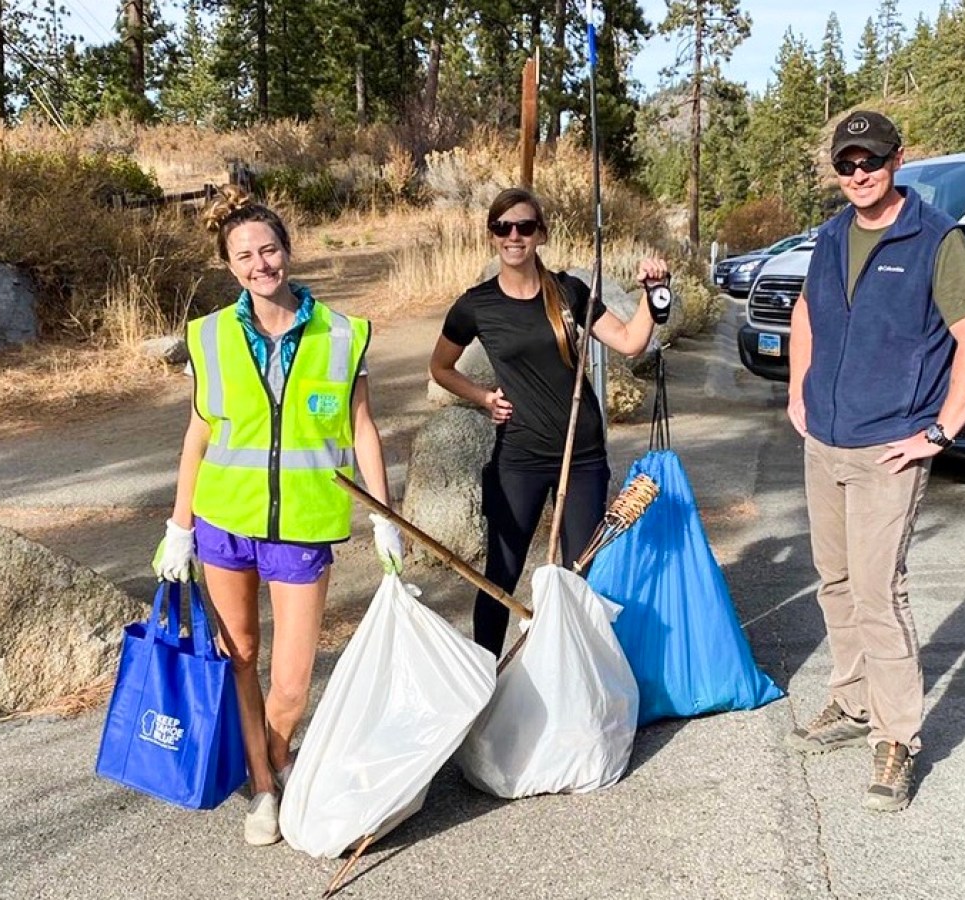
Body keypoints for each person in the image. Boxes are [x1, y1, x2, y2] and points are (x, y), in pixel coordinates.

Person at [153, 185, 404, 845]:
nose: (260, 263)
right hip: (223, 523)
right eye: (245, 255)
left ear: (288, 252)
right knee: (240, 658)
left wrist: (386, 517)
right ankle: (265, 786)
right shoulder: (207, 337)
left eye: (269, 248)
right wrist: (180, 526)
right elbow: (199, 435)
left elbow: (364, 427)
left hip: (303, 525)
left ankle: (276, 749)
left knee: (289, 682)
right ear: (230, 266)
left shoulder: (345, 334)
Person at [783, 111, 965, 812]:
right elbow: (807, 315)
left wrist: (941, 431)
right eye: (847, 163)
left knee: (879, 594)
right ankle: (850, 704)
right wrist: (798, 392)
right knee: (835, 583)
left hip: (889, 449)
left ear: (897, 159)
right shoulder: (832, 233)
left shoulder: (936, 239)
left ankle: (898, 737)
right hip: (827, 441)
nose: (858, 174)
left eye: (870, 161)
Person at [429, 187, 669, 658]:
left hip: (581, 456)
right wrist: (482, 398)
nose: (513, 236)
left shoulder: (569, 292)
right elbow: (440, 368)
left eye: (524, 226)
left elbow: (629, 342)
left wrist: (653, 293)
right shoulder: (476, 305)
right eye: (503, 227)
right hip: (518, 456)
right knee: (500, 573)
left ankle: (582, 681)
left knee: (582, 576)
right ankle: (486, 679)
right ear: (492, 234)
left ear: (540, 233)